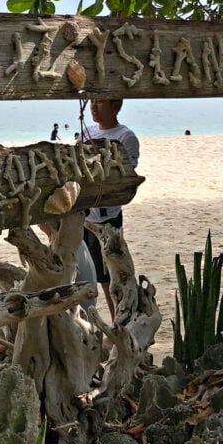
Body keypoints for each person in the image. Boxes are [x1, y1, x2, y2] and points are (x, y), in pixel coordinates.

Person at [79, 98, 140, 318]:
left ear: (115, 107)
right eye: (92, 102)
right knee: (84, 272)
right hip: (84, 214)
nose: (94, 107)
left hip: (107, 217)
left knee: (109, 277)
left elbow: (125, 174)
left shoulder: (126, 137)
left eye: (100, 102)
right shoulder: (87, 132)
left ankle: (119, 320)